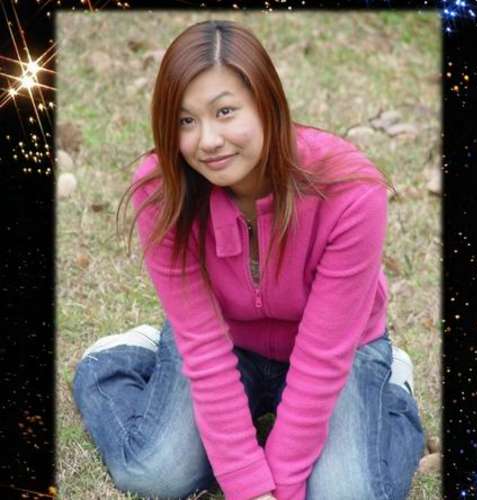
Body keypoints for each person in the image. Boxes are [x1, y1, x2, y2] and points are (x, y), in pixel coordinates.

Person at [72, 19, 425, 500]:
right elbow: (203, 345)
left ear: (266, 103)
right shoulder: (163, 188)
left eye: (225, 111)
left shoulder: (350, 190)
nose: (208, 140)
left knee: (350, 493)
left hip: (338, 349)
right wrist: (247, 486)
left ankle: (392, 390)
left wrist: (282, 484)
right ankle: (123, 357)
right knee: (155, 475)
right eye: (186, 121)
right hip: (225, 340)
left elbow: (322, 357)